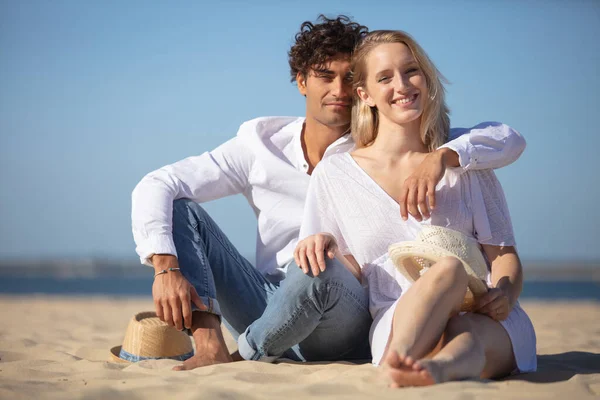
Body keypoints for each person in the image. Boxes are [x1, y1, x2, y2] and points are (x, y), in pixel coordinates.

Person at [131, 16, 526, 371]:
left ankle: (247, 353)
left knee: (317, 271)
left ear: (360, 90)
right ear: (302, 81)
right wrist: (166, 266)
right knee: (180, 208)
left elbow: (502, 139)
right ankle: (210, 344)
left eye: (347, 78)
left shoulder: (401, 138)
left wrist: (444, 156)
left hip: (339, 301)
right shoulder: (261, 144)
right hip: (270, 295)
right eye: (323, 75)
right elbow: (158, 183)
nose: (338, 90)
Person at [296, 30, 536, 386]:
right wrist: (320, 247)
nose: (402, 85)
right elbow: (341, 269)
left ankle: (435, 370)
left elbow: (503, 254)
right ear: (365, 94)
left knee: (465, 329)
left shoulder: (466, 162)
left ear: (425, 77)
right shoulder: (335, 173)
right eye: (385, 77)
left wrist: (506, 293)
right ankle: (402, 360)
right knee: (448, 270)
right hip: (398, 318)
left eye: (411, 71)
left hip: (482, 316)